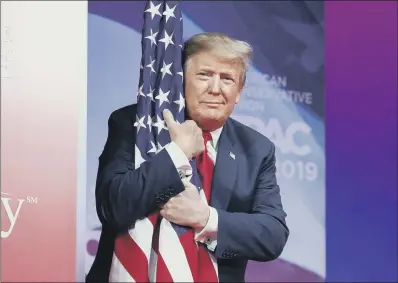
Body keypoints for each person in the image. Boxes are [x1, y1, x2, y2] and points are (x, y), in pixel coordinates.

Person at [86, 32, 289, 283]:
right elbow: (112, 206)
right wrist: (177, 153)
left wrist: (205, 219)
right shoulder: (136, 125)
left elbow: (273, 234)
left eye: (227, 78)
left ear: (239, 91)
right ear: (180, 80)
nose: (215, 89)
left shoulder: (257, 149)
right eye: (204, 75)